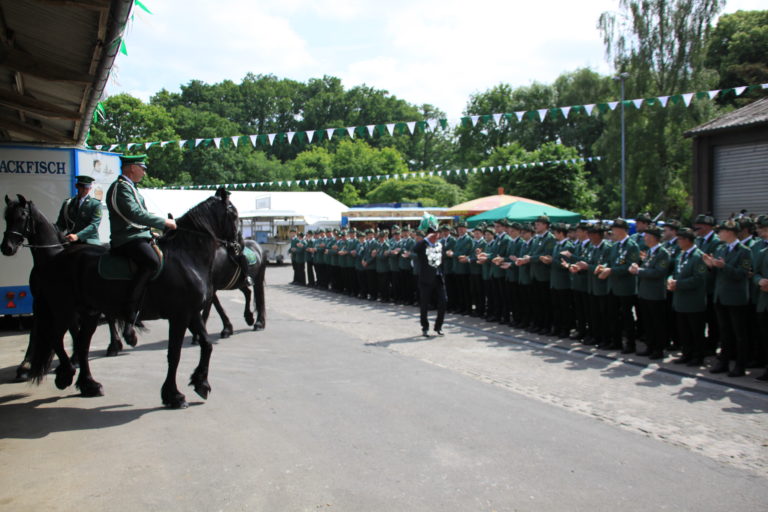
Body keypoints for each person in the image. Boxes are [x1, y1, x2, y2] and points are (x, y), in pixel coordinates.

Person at [106, 154, 176, 342]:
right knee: (151, 262)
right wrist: (164, 222)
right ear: (131, 168)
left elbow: (139, 216)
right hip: (126, 238)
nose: (144, 172)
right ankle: (130, 307)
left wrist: (150, 232)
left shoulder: (130, 188)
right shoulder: (120, 188)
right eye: (142, 168)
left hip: (136, 235)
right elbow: (134, 214)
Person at [705, 220, 752, 377]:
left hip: (736, 297)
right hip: (721, 296)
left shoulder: (744, 251)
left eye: (722, 231)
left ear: (730, 232)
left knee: (739, 333)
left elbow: (742, 274)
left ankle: (740, 365)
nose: (719, 234)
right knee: (724, 332)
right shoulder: (721, 248)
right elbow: (716, 273)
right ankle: (723, 362)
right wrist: (711, 265)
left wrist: (724, 266)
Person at [668, 227, 707, 366]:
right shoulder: (681, 255)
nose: (678, 241)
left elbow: (699, 279)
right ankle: (686, 353)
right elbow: (674, 272)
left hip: (693, 301)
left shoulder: (698, 256)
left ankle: (698, 356)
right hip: (680, 300)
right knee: (683, 330)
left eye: (680, 239)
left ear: (687, 240)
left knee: (695, 331)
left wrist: (678, 283)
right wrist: (670, 280)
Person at [630, 224, 670, 360]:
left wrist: (639, 271)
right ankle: (650, 346)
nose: (645, 238)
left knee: (657, 322)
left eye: (648, 236)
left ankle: (658, 349)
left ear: (654, 238)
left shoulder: (662, 253)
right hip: (645, 292)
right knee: (648, 322)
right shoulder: (650, 252)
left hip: (655, 293)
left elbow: (659, 272)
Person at [413, 213, 447, 337]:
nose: (436, 235)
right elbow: (415, 249)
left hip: (438, 278)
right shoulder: (423, 244)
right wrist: (426, 238)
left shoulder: (440, 245)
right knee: (424, 303)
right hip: (426, 279)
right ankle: (425, 327)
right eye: (434, 233)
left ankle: (438, 326)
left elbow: (442, 260)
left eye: (437, 232)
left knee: (443, 302)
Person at [55, 175, 102, 245]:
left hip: (89, 240)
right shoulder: (68, 203)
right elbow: (61, 224)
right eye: (81, 186)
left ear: (90, 188)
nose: (84, 189)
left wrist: (78, 236)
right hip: (71, 239)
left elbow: (94, 225)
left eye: (87, 187)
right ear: (76, 186)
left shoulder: (95, 204)